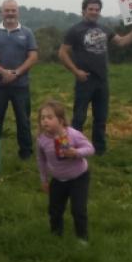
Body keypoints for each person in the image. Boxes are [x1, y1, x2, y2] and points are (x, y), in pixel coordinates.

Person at [58, 0, 132, 155]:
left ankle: (100, 150)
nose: (94, 12)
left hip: (102, 80)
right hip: (85, 80)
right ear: (83, 10)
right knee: (79, 116)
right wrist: (76, 72)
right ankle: (73, 148)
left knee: (101, 117)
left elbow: (122, 42)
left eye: (97, 10)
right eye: (90, 9)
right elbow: (62, 53)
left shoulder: (105, 29)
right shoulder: (75, 30)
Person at [0, 0, 38, 159]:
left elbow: (33, 56)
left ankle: (26, 152)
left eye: (13, 10)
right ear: (1, 12)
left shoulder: (27, 32)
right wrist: (2, 72)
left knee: (23, 120)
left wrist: (16, 73)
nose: (10, 13)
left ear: (18, 12)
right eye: (7, 10)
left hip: (21, 85)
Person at [36, 100, 95, 243]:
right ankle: (56, 235)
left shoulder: (72, 134)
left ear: (61, 120)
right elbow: (41, 160)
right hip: (58, 179)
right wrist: (44, 180)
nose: (45, 121)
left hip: (78, 177)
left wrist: (76, 152)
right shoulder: (41, 140)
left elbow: (90, 149)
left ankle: (82, 238)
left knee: (78, 209)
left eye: (50, 117)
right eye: (42, 118)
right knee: (54, 209)